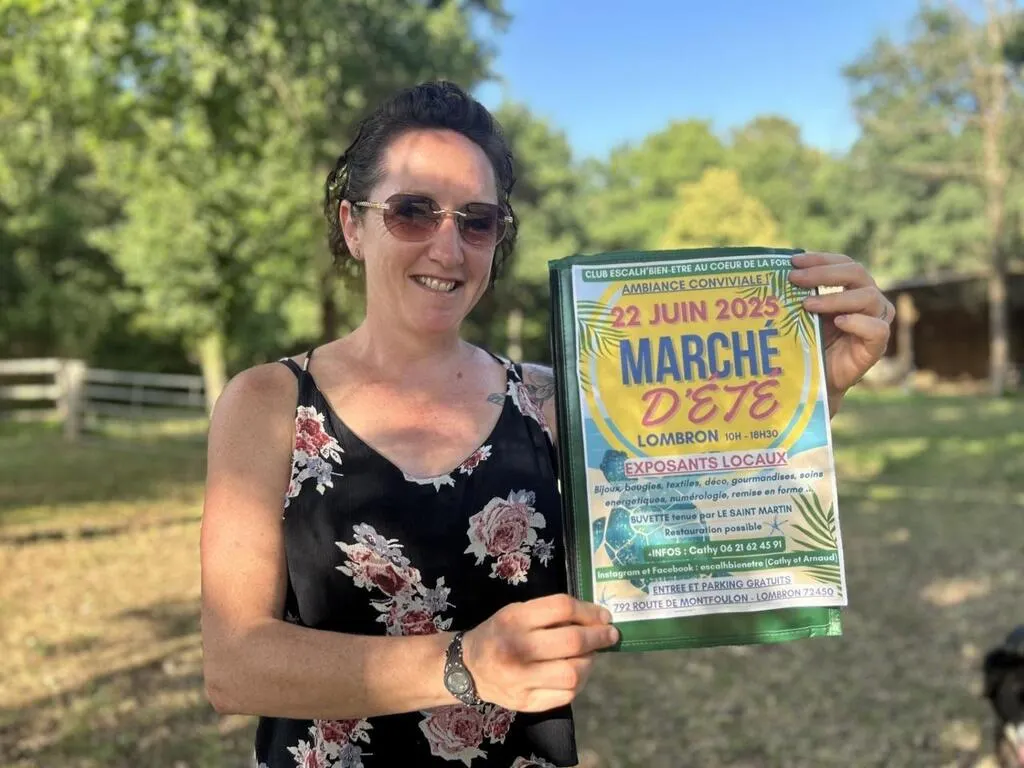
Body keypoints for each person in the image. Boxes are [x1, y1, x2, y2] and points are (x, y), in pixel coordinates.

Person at [199, 81, 895, 768]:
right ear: (354, 225)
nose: (449, 247)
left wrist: (816, 385)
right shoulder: (269, 404)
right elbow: (233, 665)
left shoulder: (554, 400)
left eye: (477, 221)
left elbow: (703, 509)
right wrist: (463, 664)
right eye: (413, 212)